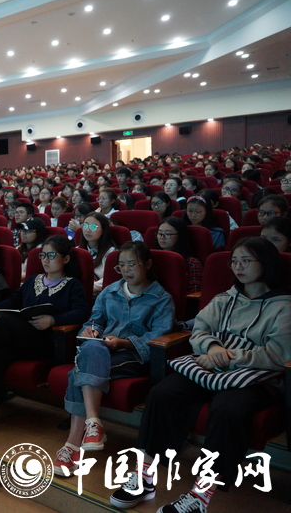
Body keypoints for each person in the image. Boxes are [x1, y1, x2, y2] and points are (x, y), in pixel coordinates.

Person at [108, 237, 291, 513]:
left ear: (266, 263)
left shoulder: (284, 306)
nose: (238, 267)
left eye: (246, 260)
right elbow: (200, 331)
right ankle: (144, 477)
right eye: (234, 261)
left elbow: (278, 354)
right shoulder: (225, 299)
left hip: (256, 377)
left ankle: (200, 497)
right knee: (163, 393)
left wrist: (229, 356)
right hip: (211, 366)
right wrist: (213, 348)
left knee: (227, 410)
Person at [54, 242, 174, 474]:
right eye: (121, 266)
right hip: (104, 349)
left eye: (132, 264)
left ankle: (73, 444)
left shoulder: (161, 298)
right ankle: (93, 424)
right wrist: (91, 330)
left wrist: (123, 343)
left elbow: (157, 336)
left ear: (147, 264)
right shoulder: (110, 291)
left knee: (77, 372)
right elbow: (95, 320)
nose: (126, 270)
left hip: (133, 355)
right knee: (92, 346)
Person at [0, 236, 90, 439]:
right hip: (22, 339)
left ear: (65, 259)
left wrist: (53, 319)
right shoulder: (33, 280)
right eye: (43, 255)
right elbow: (14, 300)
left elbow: (81, 312)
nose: (45, 260)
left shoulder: (73, 285)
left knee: (7, 321)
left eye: (51, 255)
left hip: (48, 342)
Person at [154, 217, 203, 294]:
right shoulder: (152, 259)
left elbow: (194, 294)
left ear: (180, 236)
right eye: (160, 233)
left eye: (168, 234)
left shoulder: (192, 263)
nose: (162, 237)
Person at [77, 213, 117, 294]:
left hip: (100, 294)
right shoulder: (77, 250)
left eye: (93, 227)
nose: (88, 230)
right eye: (85, 225)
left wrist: (85, 288)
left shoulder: (111, 252)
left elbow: (109, 279)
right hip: (77, 292)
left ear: (103, 231)